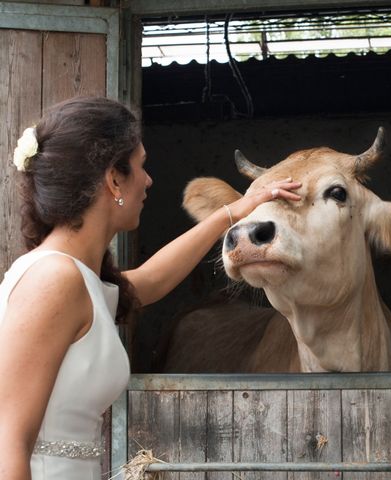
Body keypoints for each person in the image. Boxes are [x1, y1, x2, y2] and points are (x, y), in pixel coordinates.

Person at [0, 96, 301, 480]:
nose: (148, 180)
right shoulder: (53, 280)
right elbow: (7, 445)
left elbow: (150, 281)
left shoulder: (79, 279)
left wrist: (236, 211)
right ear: (113, 179)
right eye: (141, 166)